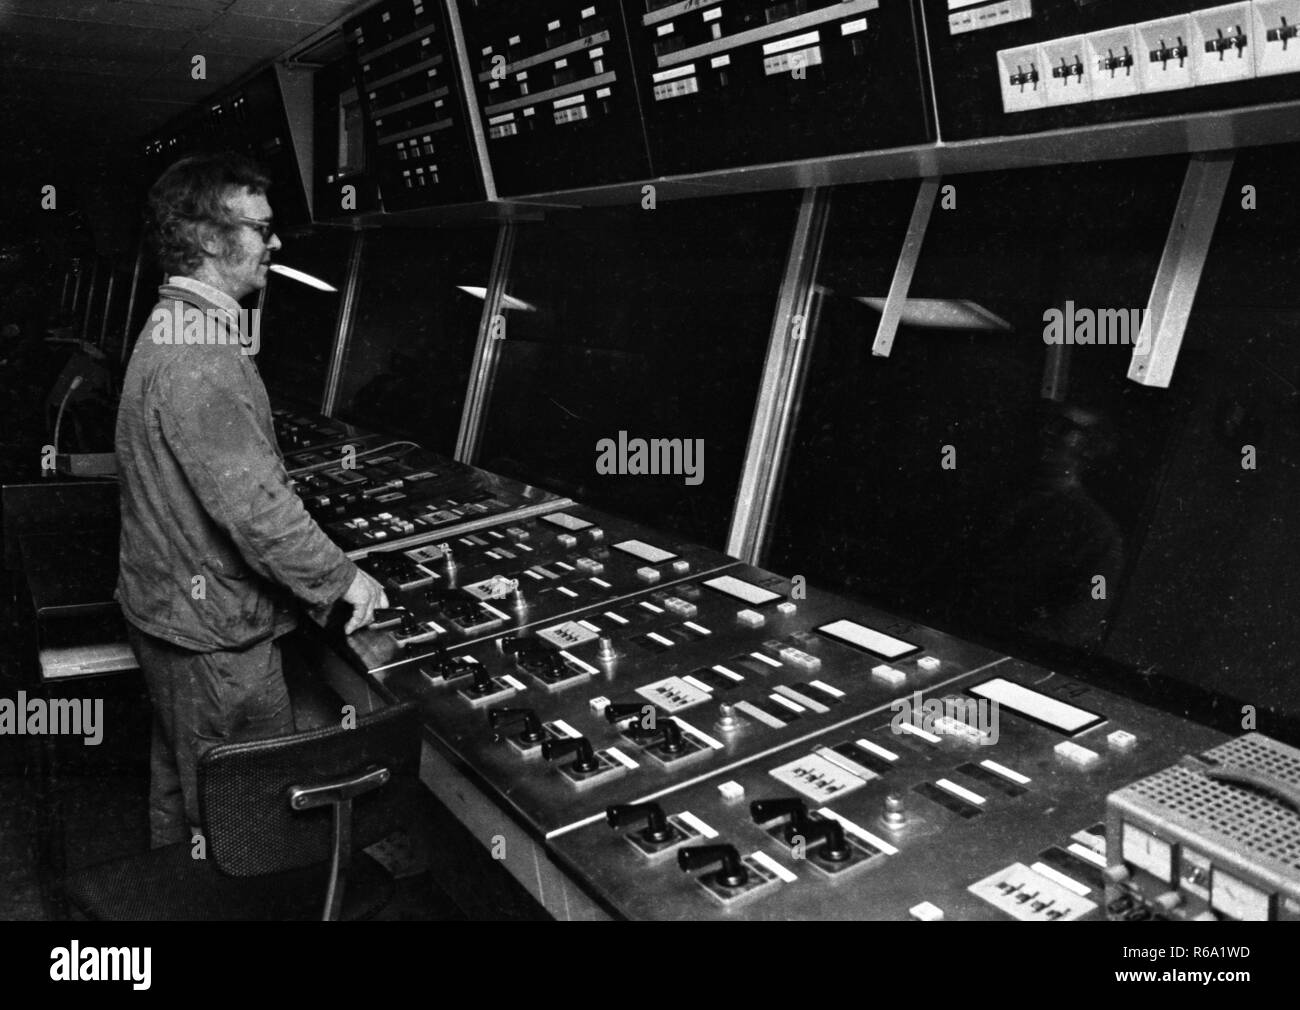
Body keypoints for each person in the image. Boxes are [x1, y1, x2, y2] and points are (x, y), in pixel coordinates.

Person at [116, 152, 388, 848]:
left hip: (176, 616)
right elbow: (254, 510)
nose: (276, 242)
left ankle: (174, 886)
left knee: (187, 782)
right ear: (209, 239)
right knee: (246, 817)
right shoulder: (200, 352)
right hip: (213, 634)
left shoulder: (177, 326)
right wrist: (342, 578)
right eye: (261, 228)